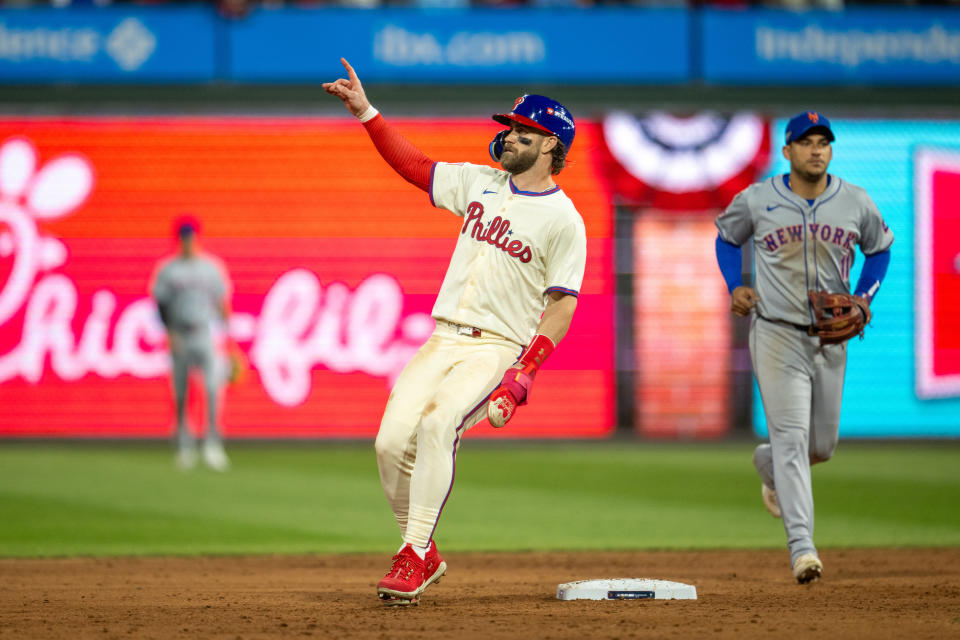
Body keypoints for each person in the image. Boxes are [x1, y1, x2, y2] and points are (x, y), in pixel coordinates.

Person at [323, 58, 586, 605]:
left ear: (550, 146)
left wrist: (523, 373)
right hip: (442, 337)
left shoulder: (565, 220)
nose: (509, 136)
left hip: (494, 346)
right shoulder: (479, 181)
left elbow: (560, 308)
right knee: (389, 442)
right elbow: (415, 165)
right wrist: (366, 112)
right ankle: (423, 549)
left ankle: (414, 555)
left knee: (440, 424)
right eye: (510, 127)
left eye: (524, 131)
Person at [714, 111, 893, 583]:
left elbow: (881, 249)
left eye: (823, 142)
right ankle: (802, 549)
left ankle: (766, 462)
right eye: (806, 142)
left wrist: (864, 297)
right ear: (788, 151)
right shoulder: (758, 199)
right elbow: (727, 239)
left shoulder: (854, 200)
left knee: (822, 445)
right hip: (775, 333)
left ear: (830, 151)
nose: (816, 149)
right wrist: (736, 285)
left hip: (832, 337)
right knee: (793, 441)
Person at [151, 217, 233, 472]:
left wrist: (228, 336)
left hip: (205, 333)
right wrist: (169, 331)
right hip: (180, 334)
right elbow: (161, 304)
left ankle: (212, 444)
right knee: (181, 393)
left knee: (211, 388)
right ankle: (185, 444)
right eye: (183, 237)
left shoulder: (210, 268)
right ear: (178, 240)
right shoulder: (169, 269)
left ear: (197, 238)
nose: (187, 242)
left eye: (191, 237)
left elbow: (221, 302)